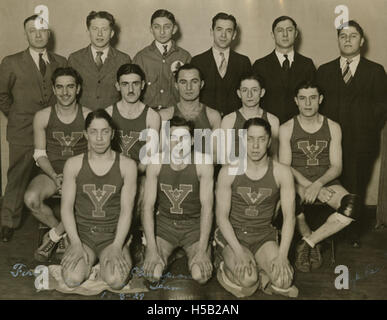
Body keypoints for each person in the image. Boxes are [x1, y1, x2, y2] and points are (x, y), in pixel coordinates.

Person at [317, 20, 387, 248]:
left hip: (361, 142)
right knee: (332, 184)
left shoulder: (375, 71)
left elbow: (381, 107)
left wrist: (365, 129)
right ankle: (331, 231)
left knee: (356, 185)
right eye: (343, 36)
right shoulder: (325, 71)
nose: (348, 40)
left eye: (353, 36)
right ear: (338, 40)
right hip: (330, 143)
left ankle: (351, 232)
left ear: (362, 41)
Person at [0, 14, 67, 242]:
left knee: (48, 174)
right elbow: (2, 95)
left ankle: (47, 222)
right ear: (26, 34)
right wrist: (17, 116)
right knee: (17, 176)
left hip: (52, 133)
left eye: (42, 30)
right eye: (32, 31)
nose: (38, 35)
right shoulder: (11, 62)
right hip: (22, 132)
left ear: (48, 33)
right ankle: (8, 222)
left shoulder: (60, 61)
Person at [279, 81, 358, 272]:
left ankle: (309, 243)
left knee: (351, 207)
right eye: (303, 98)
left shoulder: (333, 126)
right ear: (296, 101)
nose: (308, 103)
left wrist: (319, 184)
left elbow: (337, 166)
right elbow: (284, 167)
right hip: (296, 182)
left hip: (327, 181)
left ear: (320, 99)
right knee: (291, 201)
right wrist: (309, 187)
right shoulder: (287, 128)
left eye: (313, 98)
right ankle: (311, 241)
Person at [215, 117, 298, 298]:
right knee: (248, 280)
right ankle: (223, 265)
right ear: (243, 140)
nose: (255, 145)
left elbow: (290, 217)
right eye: (250, 139)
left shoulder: (282, 172)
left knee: (284, 280)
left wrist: (283, 255)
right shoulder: (228, 171)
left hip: (263, 234)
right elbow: (221, 217)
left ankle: (259, 267)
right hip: (234, 235)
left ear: (269, 141)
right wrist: (238, 252)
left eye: (261, 139)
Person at [61, 109, 137, 290]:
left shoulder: (127, 165)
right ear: (86, 134)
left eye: (104, 131)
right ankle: (88, 261)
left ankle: (112, 256)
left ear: (112, 133)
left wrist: (118, 245)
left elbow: (127, 211)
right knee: (72, 279)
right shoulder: (73, 164)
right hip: (83, 235)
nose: (99, 138)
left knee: (115, 280)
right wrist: (76, 243)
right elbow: (66, 209)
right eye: (93, 132)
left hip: (112, 235)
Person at [24, 67, 90, 262]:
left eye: (70, 86)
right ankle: (62, 232)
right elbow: (39, 154)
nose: (65, 92)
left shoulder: (88, 116)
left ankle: (52, 238)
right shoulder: (43, 116)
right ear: (53, 89)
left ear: (78, 89)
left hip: (80, 174)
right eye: (60, 87)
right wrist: (55, 176)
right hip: (51, 173)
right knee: (31, 199)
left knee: (88, 198)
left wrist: (73, 177)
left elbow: (94, 154)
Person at [142, 116, 214, 285]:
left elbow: (207, 208)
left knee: (200, 276)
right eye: (174, 138)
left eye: (184, 138)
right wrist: (152, 249)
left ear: (191, 141)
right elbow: (147, 208)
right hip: (166, 226)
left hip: (193, 227)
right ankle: (168, 253)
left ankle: (189, 252)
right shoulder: (156, 163)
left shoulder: (203, 163)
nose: (179, 143)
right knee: (153, 274)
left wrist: (203, 249)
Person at [252, 16, 316, 124]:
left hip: (300, 126)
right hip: (268, 127)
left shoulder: (307, 64)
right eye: (280, 30)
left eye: (289, 30)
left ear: (296, 34)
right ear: (273, 35)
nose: (285, 34)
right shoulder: (260, 65)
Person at [191, 12, 251, 116]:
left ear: (234, 35)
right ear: (211, 31)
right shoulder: (197, 61)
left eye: (228, 31)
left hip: (235, 124)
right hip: (205, 123)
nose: (223, 35)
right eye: (219, 29)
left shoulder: (243, 62)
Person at [68, 11, 131, 110]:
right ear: (88, 32)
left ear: (112, 33)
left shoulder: (123, 59)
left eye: (104, 29)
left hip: (113, 119)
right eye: (95, 29)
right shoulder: (75, 59)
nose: (100, 34)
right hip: (82, 119)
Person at [105, 63, 161, 173]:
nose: (130, 89)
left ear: (143, 85)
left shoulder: (152, 116)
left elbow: (149, 155)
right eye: (125, 84)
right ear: (117, 86)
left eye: (135, 84)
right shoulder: (108, 113)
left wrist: (133, 176)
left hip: (139, 173)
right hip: (112, 172)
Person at [133, 9, 191, 110]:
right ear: (151, 29)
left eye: (167, 27)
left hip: (175, 115)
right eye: (157, 27)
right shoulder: (141, 57)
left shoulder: (184, 56)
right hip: (147, 114)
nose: (162, 31)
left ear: (174, 29)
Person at [159, 64, 221, 156]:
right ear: (176, 85)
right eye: (183, 82)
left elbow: (216, 155)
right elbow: (160, 153)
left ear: (202, 84)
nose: (189, 87)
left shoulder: (212, 116)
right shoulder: (164, 116)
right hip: (174, 168)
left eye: (194, 81)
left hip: (204, 169)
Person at [221, 72, 280, 160]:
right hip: (237, 171)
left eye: (254, 90)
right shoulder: (229, 120)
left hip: (263, 171)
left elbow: (274, 156)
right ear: (239, 93)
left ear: (262, 92)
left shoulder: (272, 120)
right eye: (245, 90)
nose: (249, 95)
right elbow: (224, 159)